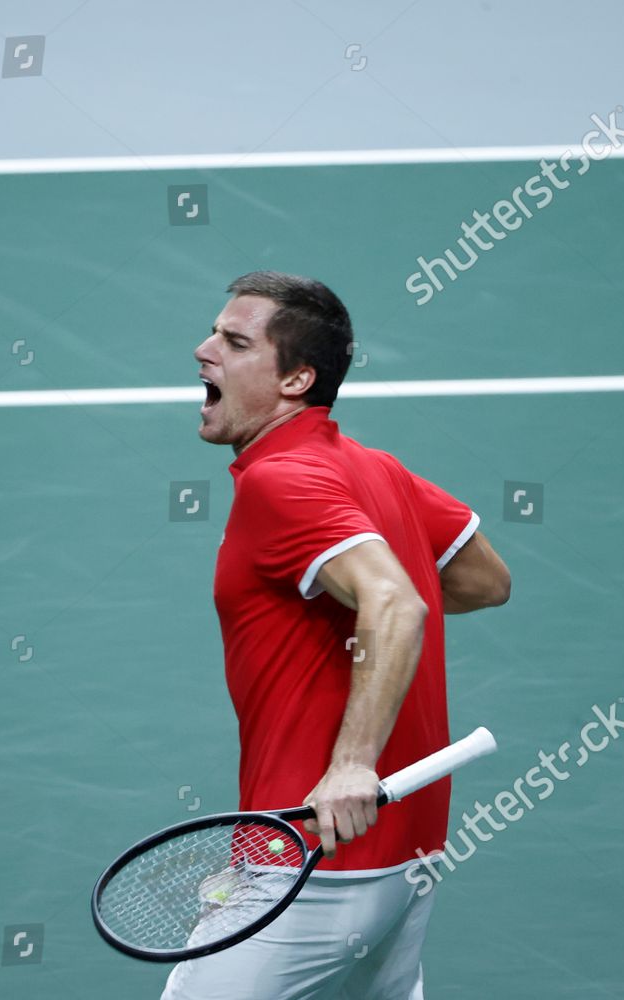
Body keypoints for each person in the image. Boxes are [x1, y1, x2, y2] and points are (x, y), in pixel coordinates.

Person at [164, 271, 511, 999]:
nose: (203, 350)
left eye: (235, 343)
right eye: (215, 333)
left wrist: (353, 763)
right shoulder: (375, 470)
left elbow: (398, 603)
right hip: (408, 855)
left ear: (296, 380)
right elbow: (483, 580)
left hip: (310, 862)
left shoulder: (282, 483)